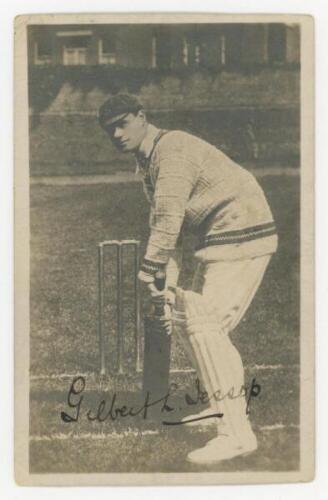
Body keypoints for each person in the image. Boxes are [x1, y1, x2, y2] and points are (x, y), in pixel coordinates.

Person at [98, 94, 278, 465]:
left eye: (123, 123)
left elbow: (168, 221)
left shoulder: (172, 150)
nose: (116, 133)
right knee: (185, 316)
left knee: (205, 326)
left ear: (142, 117)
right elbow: (171, 231)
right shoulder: (148, 161)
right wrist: (165, 286)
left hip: (242, 231)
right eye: (109, 128)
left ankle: (236, 435)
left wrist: (148, 271)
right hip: (220, 237)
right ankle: (219, 406)